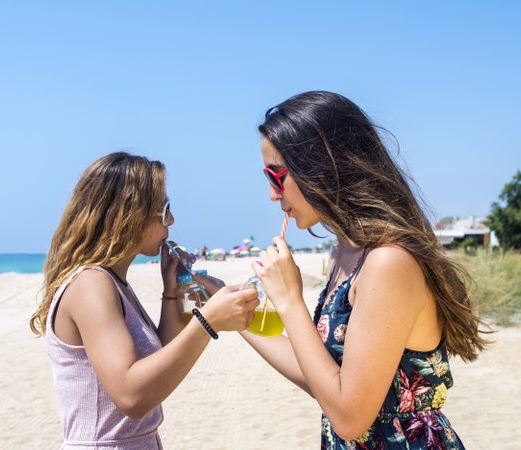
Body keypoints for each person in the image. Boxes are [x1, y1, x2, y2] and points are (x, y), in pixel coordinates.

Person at [195, 91, 490, 449]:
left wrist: (289, 300)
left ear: (320, 166)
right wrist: (231, 310)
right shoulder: (347, 252)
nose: (273, 195)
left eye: (276, 177)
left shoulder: (387, 262)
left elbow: (349, 418)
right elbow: (323, 379)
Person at [30, 152, 258, 449]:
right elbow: (132, 396)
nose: (172, 220)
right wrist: (208, 322)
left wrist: (173, 292)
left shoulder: (113, 282)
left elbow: (156, 366)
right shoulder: (91, 284)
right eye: (165, 210)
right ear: (129, 215)